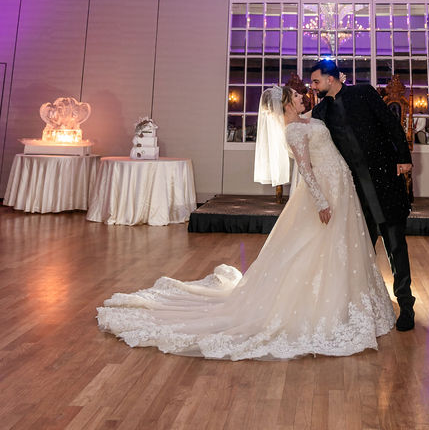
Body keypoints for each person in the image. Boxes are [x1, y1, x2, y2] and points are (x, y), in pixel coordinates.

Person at [97, 85, 395, 360]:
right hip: (326, 191)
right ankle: (324, 305)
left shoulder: (308, 120)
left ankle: (349, 298)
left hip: (341, 186)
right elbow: (305, 168)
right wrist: (321, 201)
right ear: (286, 105)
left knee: (338, 244)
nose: (301, 96)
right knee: (314, 247)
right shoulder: (292, 131)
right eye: (295, 95)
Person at [310, 59, 416, 331]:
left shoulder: (363, 93)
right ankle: (361, 307)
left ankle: (406, 306)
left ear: (331, 79)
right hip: (353, 193)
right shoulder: (320, 111)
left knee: (396, 246)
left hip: (385, 182)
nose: (314, 87)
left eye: (316, 81)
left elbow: (391, 124)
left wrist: (404, 157)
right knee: (360, 253)